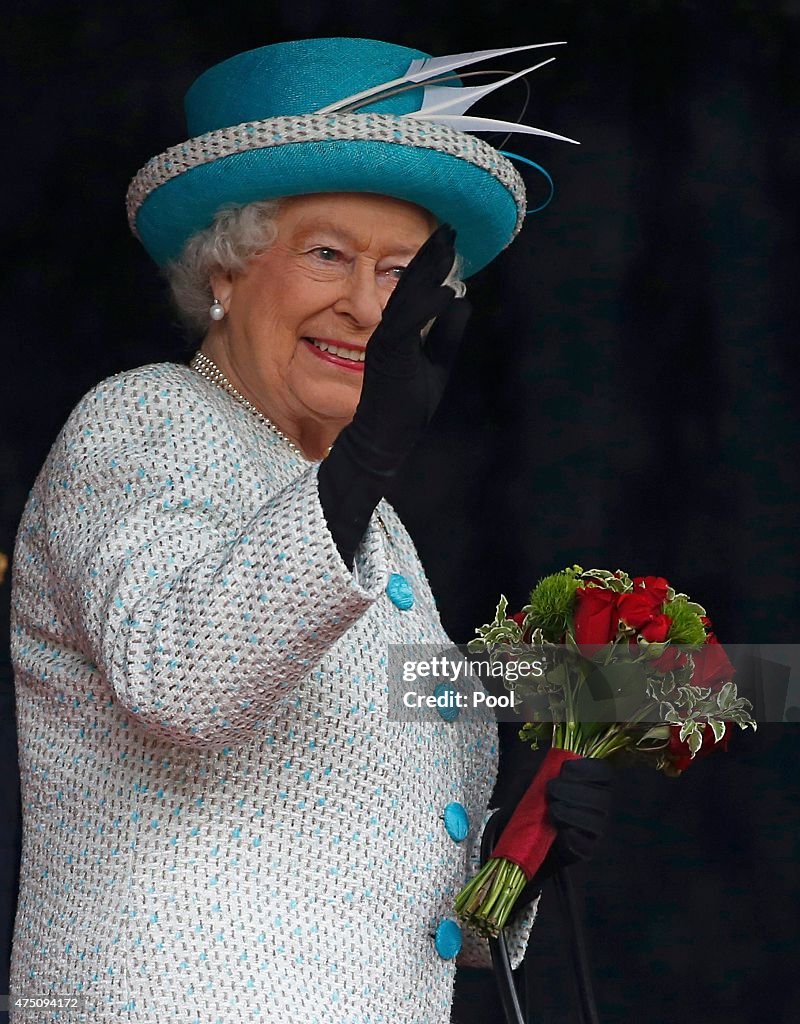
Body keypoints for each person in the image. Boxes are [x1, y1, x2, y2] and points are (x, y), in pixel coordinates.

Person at [9, 38, 610, 1023]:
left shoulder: (372, 529)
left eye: (403, 273)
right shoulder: (142, 419)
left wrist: (518, 855)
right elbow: (179, 675)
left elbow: (411, 905)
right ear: (223, 270)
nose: (371, 307)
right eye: (328, 253)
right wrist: (364, 461)